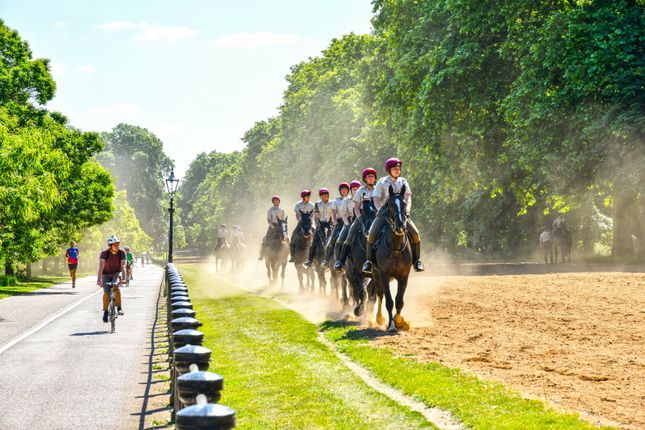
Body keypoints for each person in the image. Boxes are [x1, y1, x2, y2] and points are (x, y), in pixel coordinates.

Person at [362, 158, 424, 273]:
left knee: (415, 234)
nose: (397, 170)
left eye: (398, 168)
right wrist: (379, 209)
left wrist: (408, 210)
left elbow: (408, 197)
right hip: (384, 214)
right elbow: (376, 199)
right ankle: (369, 262)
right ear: (389, 170)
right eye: (394, 168)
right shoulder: (381, 181)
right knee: (371, 234)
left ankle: (417, 261)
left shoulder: (403, 181)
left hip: (401, 214)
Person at [334, 168, 377, 270]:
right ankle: (340, 261)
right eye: (368, 176)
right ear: (365, 178)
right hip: (362, 216)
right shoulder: (360, 190)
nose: (371, 178)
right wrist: (359, 217)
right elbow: (356, 207)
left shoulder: (378, 189)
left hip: (376, 216)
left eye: (373, 176)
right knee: (349, 236)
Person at [97, 235, 126, 323]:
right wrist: (99, 279)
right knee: (106, 293)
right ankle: (106, 312)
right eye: (115, 244)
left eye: (118, 244)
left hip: (116, 273)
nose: (117, 246)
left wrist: (124, 278)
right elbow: (101, 266)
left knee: (116, 286)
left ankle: (119, 307)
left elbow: (123, 266)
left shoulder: (122, 253)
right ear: (110, 246)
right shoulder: (104, 253)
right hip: (105, 274)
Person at [321, 183, 350, 268]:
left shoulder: (351, 199)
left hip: (350, 221)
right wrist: (335, 222)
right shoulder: (336, 201)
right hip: (340, 223)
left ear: (348, 190)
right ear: (340, 191)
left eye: (345, 189)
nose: (344, 190)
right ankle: (326, 260)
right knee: (332, 240)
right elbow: (333, 214)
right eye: (342, 189)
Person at [304, 188, 335, 267]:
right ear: (320, 196)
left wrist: (333, 223)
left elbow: (334, 214)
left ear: (328, 195)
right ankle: (310, 260)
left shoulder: (333, 203)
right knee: (314, 242)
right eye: (322, 195)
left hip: (330, 225)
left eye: (326, 195)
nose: (324, 197)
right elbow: (316, 215)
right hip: (320, 225)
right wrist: (318, 223)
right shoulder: (317, 204)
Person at [289, 190, 315, 262]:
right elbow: (297, 215)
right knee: (293, 236)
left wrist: (310, 221)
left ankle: (315, 256)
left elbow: (313, 215)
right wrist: (301, 221)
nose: (308, 198)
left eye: (309, 196)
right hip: (301, 224)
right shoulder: (298, 204)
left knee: (316, 235)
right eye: (307, 196)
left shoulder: (312, 205)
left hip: (309, 224)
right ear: (303, 197)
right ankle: (292, 256)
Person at [259, 195, 287, 260]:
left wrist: (283, 226)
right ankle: (261, 255)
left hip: (280, 226)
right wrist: (272, 226)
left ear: (279, 201)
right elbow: (268, 220)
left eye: (277, 200)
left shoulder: (282, 210)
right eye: (275, 200)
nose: (276, 201)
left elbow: (283, 219)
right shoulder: (270, 210)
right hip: (272, 226)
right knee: (265, 240)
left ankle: (290, 254)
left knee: (286, 239)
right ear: (273, 202)